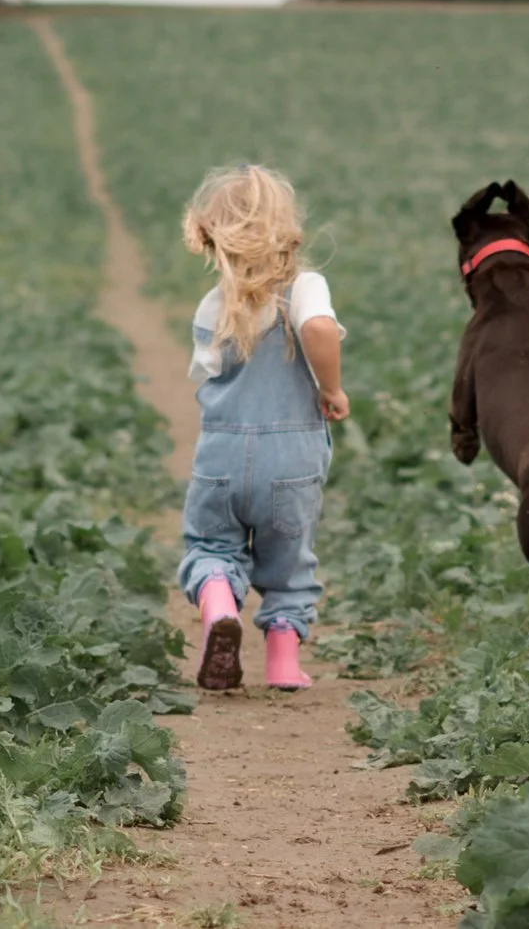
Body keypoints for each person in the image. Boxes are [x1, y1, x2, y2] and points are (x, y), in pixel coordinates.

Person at [177, 164, 348, 691]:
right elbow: (319, 327)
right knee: (289, 561)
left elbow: (209, 378)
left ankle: (220, 606)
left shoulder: (214, 306)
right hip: (290, 458)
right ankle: (283, 663)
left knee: (210, 547)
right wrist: (331, 388)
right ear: (286, 230)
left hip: (222, 456)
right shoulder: (304, 288)